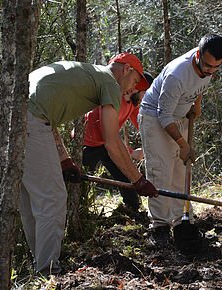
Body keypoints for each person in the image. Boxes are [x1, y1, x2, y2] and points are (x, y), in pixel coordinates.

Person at [20, 53, 159, 275]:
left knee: (31, 199)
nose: (131, 89)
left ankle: (39, 264)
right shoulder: (109, 82)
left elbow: (47, 119)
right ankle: (48, 270)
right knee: (52, 198)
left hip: (13, 115)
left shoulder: (90, 74)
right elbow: (112, 142)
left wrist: (65, 160)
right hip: (32, 122)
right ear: (126, 70)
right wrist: (138, 180)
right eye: (134, 82)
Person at [138, 34, 222, 246]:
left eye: (216, 67)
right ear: (198, 55)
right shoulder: (177, 75)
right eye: (207, 66)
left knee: (180, 171)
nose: (210, 71)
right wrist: (182, 143)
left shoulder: (210, 66)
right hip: (155, 117)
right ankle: (159, 227)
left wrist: (196, 105)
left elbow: (201, 85)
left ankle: (182, 223)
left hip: (180, 116)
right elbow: (163, 115)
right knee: (161, 171)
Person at [81, 71, 154, 212]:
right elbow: (110, 138)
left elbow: (143, 126)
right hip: (88, 144)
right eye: (147, 93)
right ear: (137, 88)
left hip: (105, 143)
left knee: (126, 175)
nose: (147, 98)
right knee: (80, 182)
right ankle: (80, 214)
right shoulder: (113, 99)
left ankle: (133, 210)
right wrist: (131, 153)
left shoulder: (133, 102)